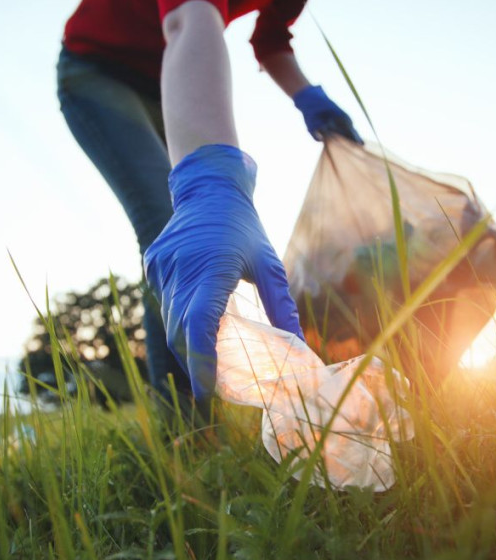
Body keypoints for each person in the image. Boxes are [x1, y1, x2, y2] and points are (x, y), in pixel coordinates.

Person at [57, 0, 361, 410]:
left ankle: (205, 412)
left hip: (168, 76)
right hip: (100, 68)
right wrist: (212, 184)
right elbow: (190, 17)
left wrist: (308, 95)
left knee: (204, 235)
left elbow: (271, 39)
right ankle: (182, 426)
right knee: (172, 228)